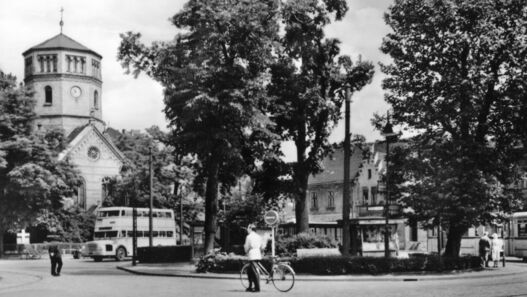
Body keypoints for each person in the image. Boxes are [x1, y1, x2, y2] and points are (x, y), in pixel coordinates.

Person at [244, 224, 264, 293]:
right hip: (258, 254)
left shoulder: (249, 237)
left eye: (248, 228)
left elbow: (246, 246)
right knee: (249, 271)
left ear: (250, 229)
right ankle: (250, 286)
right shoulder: (258, 236)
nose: (247, 230)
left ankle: (257, 288)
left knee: (254, 272)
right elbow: (262, 246)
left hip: (252, 255)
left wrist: (246, 251)